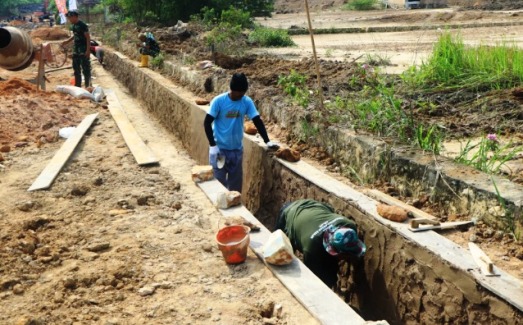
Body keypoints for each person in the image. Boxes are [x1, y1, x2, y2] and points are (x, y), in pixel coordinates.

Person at [203, 73, 278, 193]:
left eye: (244, 93)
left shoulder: (246, 102)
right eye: (240, 93)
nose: (242, 96)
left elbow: (257, 120)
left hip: (236, 151)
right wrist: (213, 145)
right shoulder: (219, 101)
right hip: (219, 151)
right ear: (233, 90)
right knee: (218, 186)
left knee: (235, 188)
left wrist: (267, 140)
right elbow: (207, 123)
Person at [275, 199, 366, 288]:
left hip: (313, 205)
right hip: (288, 212)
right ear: (337, 252)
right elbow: (313, 280)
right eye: (346, 256)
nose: (348, 258)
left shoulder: (349, 225)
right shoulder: (311, 249)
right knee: (279, 256)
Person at [61, 11, 91, 88]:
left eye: (69, 18)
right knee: (76, 68)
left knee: (85, 68)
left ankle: (88, 85)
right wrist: (67, 41)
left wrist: (88, 50)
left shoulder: (82, 25)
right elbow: (75, 35)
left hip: (83, 50)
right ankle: (78, 85)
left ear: (74, 16)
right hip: (76, 49)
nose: (69, 19)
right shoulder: (74, 26)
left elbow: (88, 38)